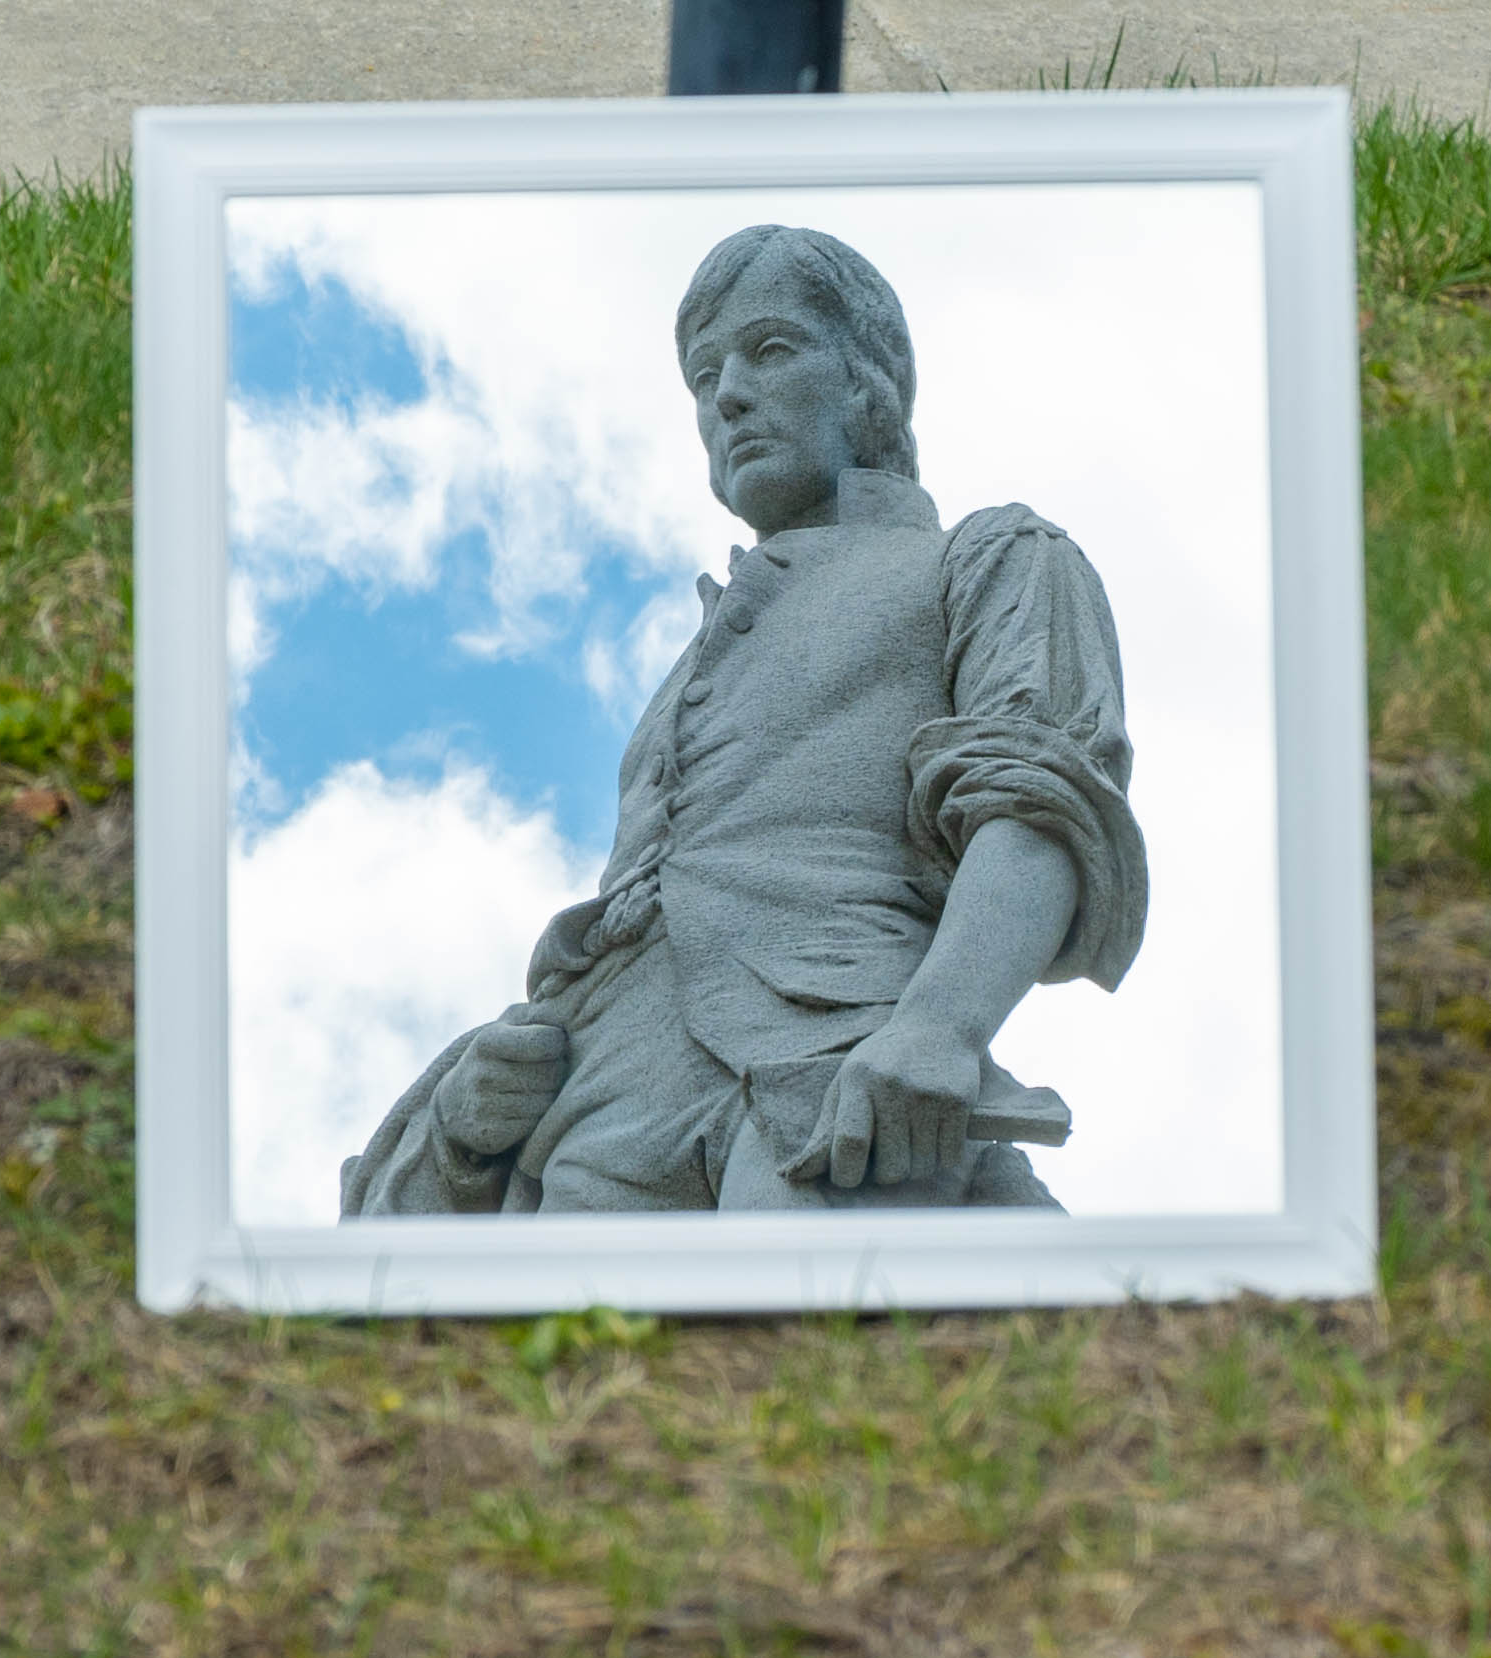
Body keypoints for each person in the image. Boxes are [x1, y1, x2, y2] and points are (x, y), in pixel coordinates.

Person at [339, 224, 1146, 1218]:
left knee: (838, 1362)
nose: (725, 395)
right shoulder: (681, 677)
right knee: (566, 1377)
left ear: (868, 383)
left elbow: (1039, 796)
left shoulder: (990, 557)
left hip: (837, 1084)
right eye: (702, 375)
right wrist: (467, 1128)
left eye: (768, 350)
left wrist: (941, 1027)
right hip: (600, 1120)